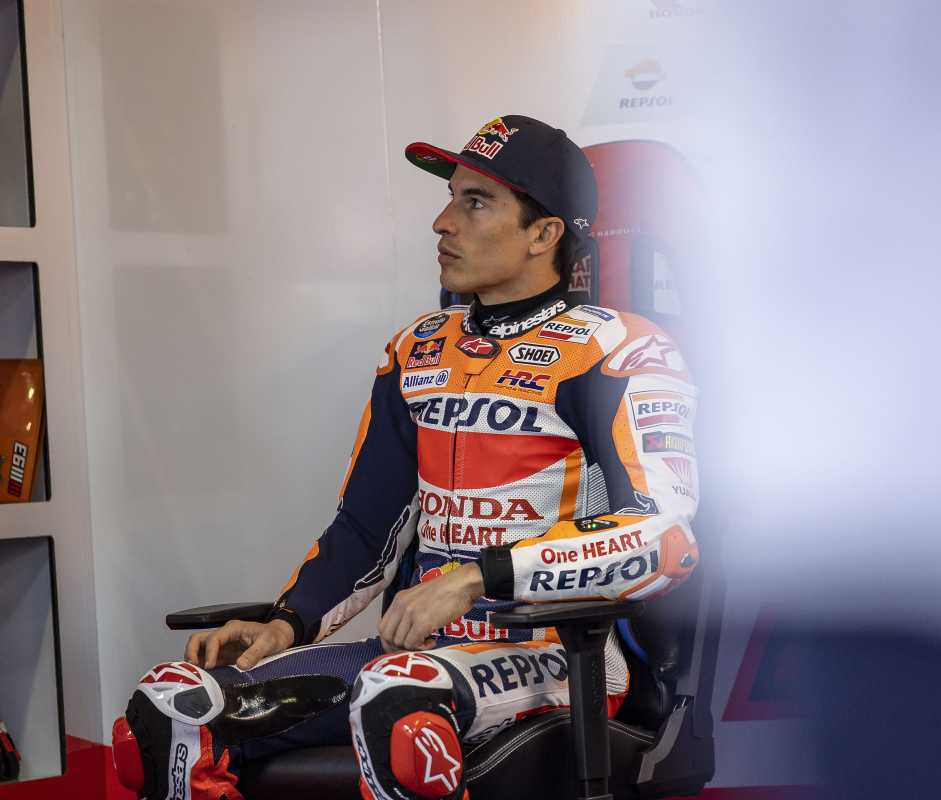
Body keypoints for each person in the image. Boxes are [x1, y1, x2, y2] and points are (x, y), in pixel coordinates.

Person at [112, 115, 700, 800]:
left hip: (556, 655)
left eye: (476, 202)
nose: (443, 223)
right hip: (416, 655)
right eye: (451, 197)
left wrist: (476, 578)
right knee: (172, 705)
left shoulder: (620, 349)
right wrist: (286, 622)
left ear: (544, 234)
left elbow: (664, 540)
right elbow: (366, 527)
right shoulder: (417, 349)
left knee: (397, 702)